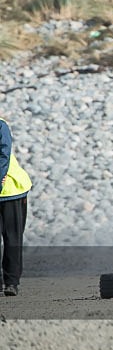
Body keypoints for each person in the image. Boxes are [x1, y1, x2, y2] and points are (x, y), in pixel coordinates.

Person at [0, 118, 32, 297]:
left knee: (12, 239)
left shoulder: (0, 126)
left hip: (12, 191)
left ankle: (11, 282)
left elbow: (3, 155)